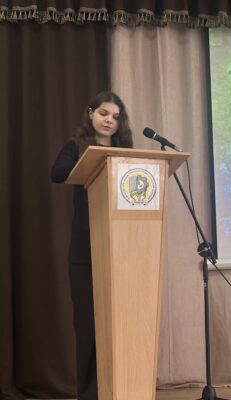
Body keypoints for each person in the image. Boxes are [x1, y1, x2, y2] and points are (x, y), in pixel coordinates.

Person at [50, 91, 133, 400]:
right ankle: (89, 393)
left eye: (115, 116)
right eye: (103, 113)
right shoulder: (76, 146)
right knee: (88, 325)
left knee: (120, 322)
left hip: (123, 247)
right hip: (86, 249)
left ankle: (122, 386)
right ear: (90, 113)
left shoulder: (126, 151)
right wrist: (91, 161)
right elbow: (57, 174)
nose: (109, 120)